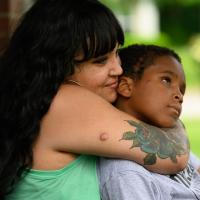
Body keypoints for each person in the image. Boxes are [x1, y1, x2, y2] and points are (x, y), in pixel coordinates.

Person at [0, 0, 189, 199]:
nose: (118, 69)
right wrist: (171, 119)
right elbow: (174, 155)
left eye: (116, 53)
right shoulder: (66, 102)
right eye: (100, 61)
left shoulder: (35, 102)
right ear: (59, 66)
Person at [98, 44, 200, 200]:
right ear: (126, 87)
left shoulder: (168, 142)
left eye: (182, 89)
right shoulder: (127, 174)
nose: (179, 95)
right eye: (166, 80)